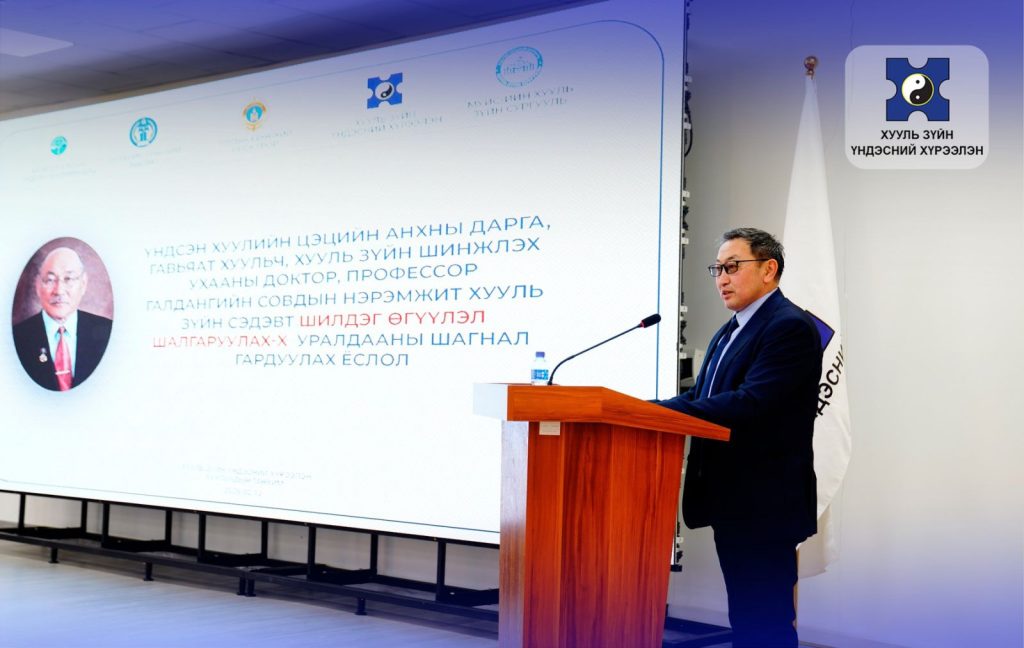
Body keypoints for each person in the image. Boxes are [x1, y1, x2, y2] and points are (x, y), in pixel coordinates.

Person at [654, 227, 822, 647]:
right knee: (747, 616)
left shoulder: (789, 327)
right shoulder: (731, 330)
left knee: (764, 620)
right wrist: (647, 408)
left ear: (769, 269)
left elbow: (752, 403)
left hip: (765, 504)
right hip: (734, 501)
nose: (722, 279)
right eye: (717, 269)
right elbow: (702, 397)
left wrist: (661, 413)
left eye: (732, 267)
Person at [12, 247, 113, 391]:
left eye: (68, 279)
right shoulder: (17, 337)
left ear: (83, 284)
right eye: (50, 280)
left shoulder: (107, 332)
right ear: (38, 286)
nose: (59, 290)